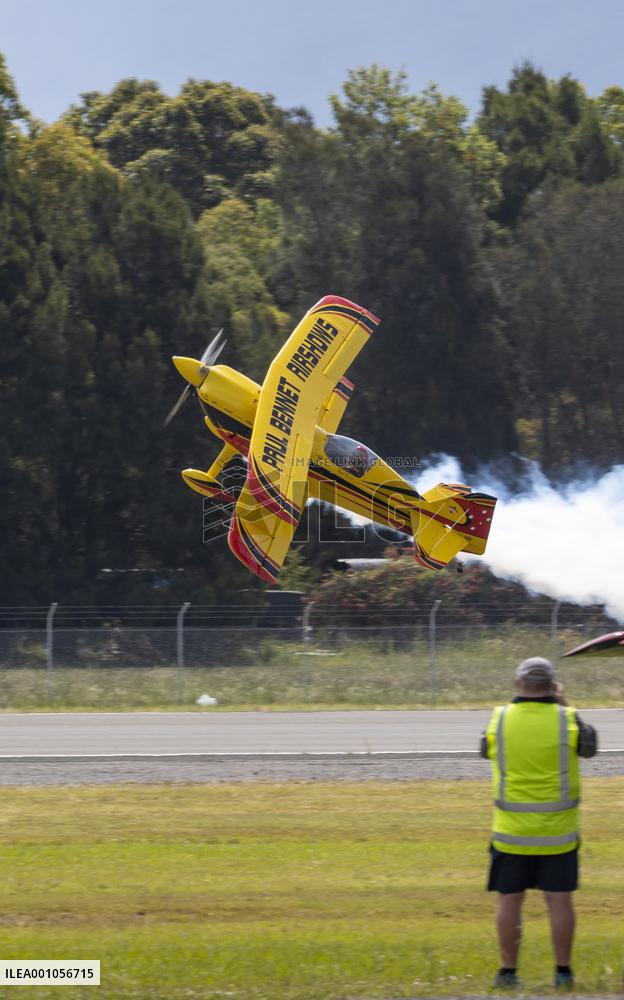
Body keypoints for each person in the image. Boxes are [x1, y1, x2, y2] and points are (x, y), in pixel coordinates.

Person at [480, 656, 598, 990]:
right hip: (558, 833)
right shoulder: (568, 719)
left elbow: (484, 750)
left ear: (518, 685)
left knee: (509, 900)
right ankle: (562, 972)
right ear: (552, 686)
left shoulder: (499, 719)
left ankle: (507, 972)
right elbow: (589, 748)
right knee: (559, 901)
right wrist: (564, 704)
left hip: (511, 833)